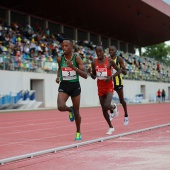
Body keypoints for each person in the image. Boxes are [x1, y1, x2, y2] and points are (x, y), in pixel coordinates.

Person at [56, 39, 87, 141]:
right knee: (60, 107)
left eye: (66, 46)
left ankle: (78, 132)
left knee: (77, 112)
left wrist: (73, 67)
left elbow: (85, 75)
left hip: (75, 86)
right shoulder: (60, 58)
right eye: (62, 46)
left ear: (71, 47)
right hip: (64, 85)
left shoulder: (77, 58)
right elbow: (59, 68)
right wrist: (58, 76)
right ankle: (70, 110)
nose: (64, 48)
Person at [88, 46, 121, 135]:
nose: (99, 53)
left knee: (107, 105)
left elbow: (119, 70)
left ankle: (114, 107)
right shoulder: (94, 62)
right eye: (97, 52)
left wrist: (111, 77)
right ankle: (111, 127)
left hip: (109, 86)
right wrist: (90, 73)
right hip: (100, 87)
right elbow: (94, 77)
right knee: (103, 109)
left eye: (100, 51)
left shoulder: (109, 61)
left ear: (103, 52)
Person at [109, 46, 129, 126]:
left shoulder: (119, 59)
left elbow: (125, 72)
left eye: (112, 50)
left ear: (115, 51)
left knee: (121, 100)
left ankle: (126, 115)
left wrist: (120, 70)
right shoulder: (108, 60)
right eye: (110, 50)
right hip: (110, 82)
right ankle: (112, 111)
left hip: (118, 82)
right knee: (107, 99)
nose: (111, 51)